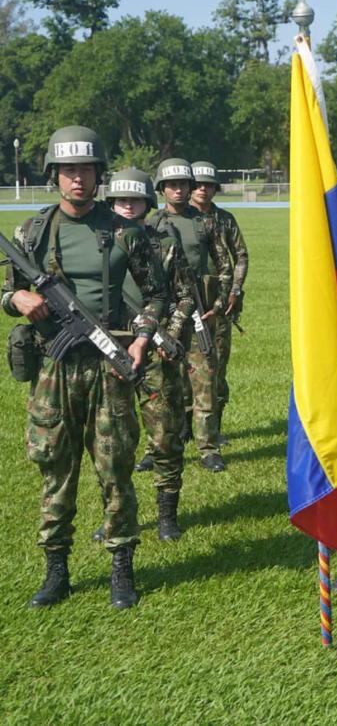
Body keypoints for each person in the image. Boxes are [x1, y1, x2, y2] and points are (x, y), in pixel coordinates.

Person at [1, 126, 166, 609]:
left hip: (109, 366)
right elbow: (6, 292)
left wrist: (140, 339)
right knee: (55, 467)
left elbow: (157, 294)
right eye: (69, 171)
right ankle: (57, 571)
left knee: (116, 468)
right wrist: (17, 297)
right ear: (55, 175)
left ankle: (121, 566)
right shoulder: (31, 233)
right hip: (54, 366)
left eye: (86, 171)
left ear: (99, 175)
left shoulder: (126, 233)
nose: (78, 179)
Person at [106, 167, 195, 541]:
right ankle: (117, 517)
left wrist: (168, 336)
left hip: (158, 355)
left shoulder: (165, 244)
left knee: (164, 437)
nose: (127, 207)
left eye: (135, 200)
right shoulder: (101, 241)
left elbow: (186, 295)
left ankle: (166, 514)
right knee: (111, 440)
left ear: (147, 203)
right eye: (121, 200)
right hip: (110, 350)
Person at [146, 159, 233, 472]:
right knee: (159, 382)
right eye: (172, 185)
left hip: (199, 312)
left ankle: (208, 447)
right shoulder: (151, 223)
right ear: (161, 189)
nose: (179, 189)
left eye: (184, 183)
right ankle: (155, 446)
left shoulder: (206, 222)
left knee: (205, 380)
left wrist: (220, 303)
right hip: (165, 313)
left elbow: (225, 266)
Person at [189, 161, 249, 445]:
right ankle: (185, 428)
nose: (203, 189)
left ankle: (214, 428)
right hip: (186, 303)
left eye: (209, 184)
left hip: (220, 303)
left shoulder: (225, 220)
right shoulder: (180, 219)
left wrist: (234, 291)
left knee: (217, 367)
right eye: (199, 183)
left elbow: (241, 256)